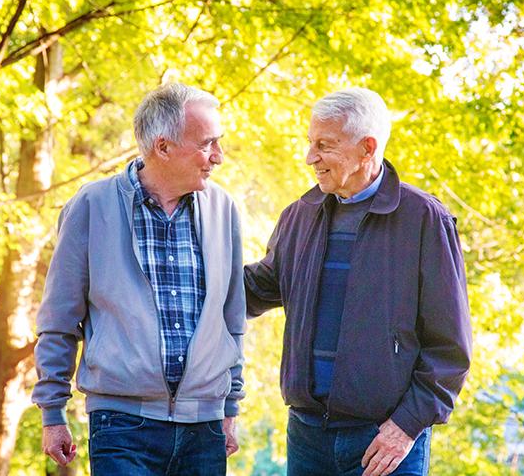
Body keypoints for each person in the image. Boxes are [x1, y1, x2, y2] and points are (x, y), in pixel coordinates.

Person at [244, 88, 472, 476]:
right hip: (306, 434)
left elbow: (450, 348)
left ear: (367, 148)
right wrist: (195, 271)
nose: (310, 157)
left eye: (324, 145)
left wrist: (405, 427)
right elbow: (258, 287)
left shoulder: (424, 220)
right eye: (309, 143)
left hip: (384, 441)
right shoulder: (300, 215)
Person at [32, 83, 246, 475]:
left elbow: (231, 319)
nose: (218, 156)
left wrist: (230, 407)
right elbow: (59, 320)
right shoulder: (92, 206)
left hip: (204, 426)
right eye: (207, 144)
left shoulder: (223, 209)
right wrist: (52, 413)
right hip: (122, 425)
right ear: (162, 147)